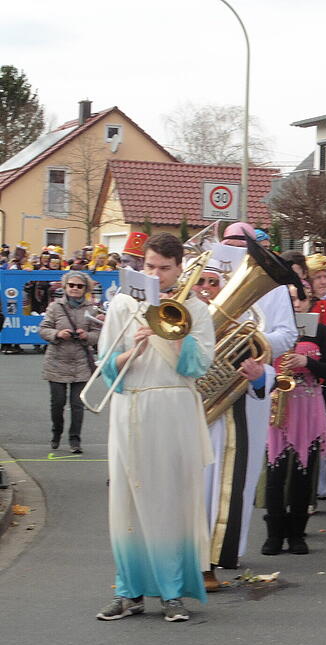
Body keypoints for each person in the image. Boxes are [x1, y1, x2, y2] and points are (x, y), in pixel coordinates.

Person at [95, 233, 215, 622]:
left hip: (174, 404)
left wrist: (171, 336)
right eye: (149, 267)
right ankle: (128, 591)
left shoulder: (195, 308)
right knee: (127, 501)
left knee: (171, 499)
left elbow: (201, 366)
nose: (156, 274)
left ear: (180, 267)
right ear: (140, 266)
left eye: (165, 268)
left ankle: (172, 593)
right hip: (131, 404)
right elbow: (106, 365)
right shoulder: (123, 304)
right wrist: (137, 348)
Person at [203, 223, 298, 580]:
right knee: (199, 473)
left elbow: (287, 334)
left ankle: (220, 553)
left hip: (243, 382)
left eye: (241, 244)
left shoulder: (272, 290)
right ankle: (192, 551)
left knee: (234, 474)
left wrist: (253, 346)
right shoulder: (202, 276)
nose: (233, 248)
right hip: (201, 379)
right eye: (228, 242)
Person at [262, 282, 326, 554]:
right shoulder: (270, 330)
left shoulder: (320, 330)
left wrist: (308, 363)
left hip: (308, 405)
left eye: (298, 300)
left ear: (308, 303)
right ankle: (273, 534)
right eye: (289, 300)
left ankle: (297, 533)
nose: (294, 305)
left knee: (303, 472)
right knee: (275, 470)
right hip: (278, 404)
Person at [38, 270, 100, 454]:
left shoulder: (92, 309)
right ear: (65, 287)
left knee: (77, 404)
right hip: (57, 360)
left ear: (85, 289)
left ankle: (75, 440)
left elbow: (99, 334)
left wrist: (86, 335)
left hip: (80, 362)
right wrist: (57, 334)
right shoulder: (55, 307)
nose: (75, 289)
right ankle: (56, 432)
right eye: (71, 285)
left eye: (79, 286)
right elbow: (43, 329)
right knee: (57, 403)